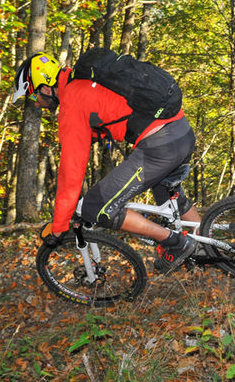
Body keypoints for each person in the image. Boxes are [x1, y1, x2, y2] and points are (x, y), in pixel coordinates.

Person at [12, 51, 201, 272]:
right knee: (170, 200)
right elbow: (109, 115)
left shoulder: (72, 100)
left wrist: (59, 225)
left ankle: (176, 243)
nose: (36, 104)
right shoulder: (86, 81)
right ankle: (209, 251)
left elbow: (71, 171)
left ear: (44, 88)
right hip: (181, 131)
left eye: (33, 97)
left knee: (96, 206)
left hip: (161, 146)